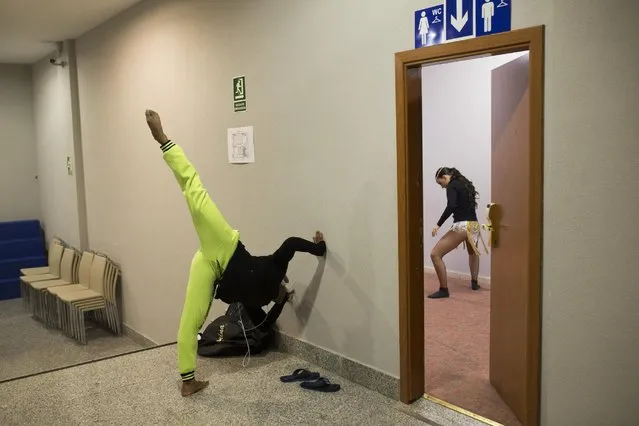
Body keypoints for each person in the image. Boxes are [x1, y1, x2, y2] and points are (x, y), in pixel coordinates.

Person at [144, 110, 327, 396]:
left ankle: (188, 381)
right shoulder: (273, 270)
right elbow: (292, 243)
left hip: (211, 267)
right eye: (281, 291)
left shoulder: (258, 302)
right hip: (222, 245)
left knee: (191, 319)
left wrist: (280, 301)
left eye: (281, 293)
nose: (282, 290)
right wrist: (320, 248)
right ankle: (163, 139)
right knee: (194, 190)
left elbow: (265, 323)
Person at [428, 167, 485, 299]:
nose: (442, 187)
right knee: (473, 253)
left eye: (440, 183)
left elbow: (451, 206)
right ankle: (474, 283)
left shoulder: (452, 186)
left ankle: (443, 289)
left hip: (462, 226)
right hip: (474, 225)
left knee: (435, 254)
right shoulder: (465, 184)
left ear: (444, 177)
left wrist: (438, 224)